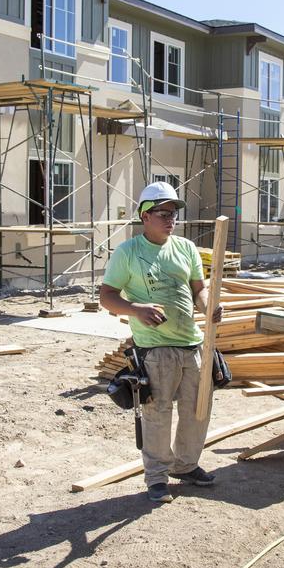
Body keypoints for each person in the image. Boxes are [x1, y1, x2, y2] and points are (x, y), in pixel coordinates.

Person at [98, 181, 223, 503]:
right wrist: (135, 309)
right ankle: (156, 477)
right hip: (155, 349)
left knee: (198, 411)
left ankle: (186, 465)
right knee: (157, 413)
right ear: (144, 216)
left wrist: (208, 304)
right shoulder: (129, 252)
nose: (171, 220)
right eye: (163, 213)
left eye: (174, 214)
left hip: (193, 344)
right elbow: (107, 296)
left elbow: (198, 288)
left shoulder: (185, 248)